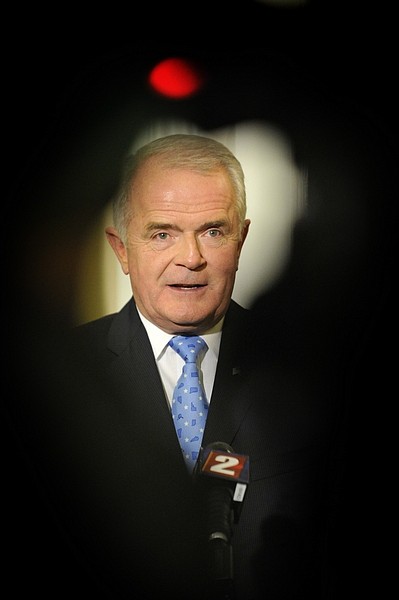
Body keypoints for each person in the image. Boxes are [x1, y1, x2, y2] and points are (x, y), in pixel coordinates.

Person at [65, 133, 349, 600]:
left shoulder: (307, 371)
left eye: (214, 231)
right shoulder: (66, 378)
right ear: (120, 249)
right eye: (162, 234)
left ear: (241, 239)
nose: (191, 258)